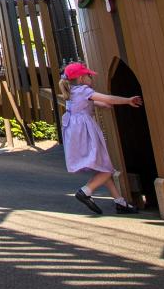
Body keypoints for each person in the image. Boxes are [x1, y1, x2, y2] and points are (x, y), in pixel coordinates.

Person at [59, 60, 142, 215]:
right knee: (106, 169)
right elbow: (107, 98)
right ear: (82, 78)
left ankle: (120, 202)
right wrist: (127, 100)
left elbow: (86, 104)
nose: (92, 78)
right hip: (85, 131)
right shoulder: (84, 90)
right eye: (89, 75)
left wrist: (100, 105)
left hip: (74, 133)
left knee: (102, 167)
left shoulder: (71, 91)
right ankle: (85, 191)